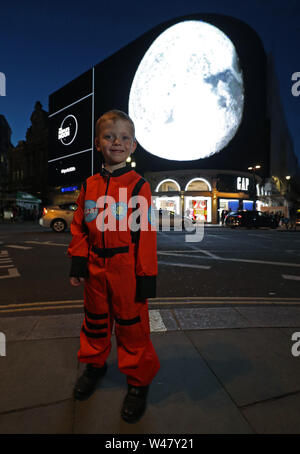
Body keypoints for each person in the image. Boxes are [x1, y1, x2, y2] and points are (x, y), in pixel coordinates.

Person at [68, 110, 160, 423]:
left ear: (133, 145)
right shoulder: (88, 185)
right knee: (94, 322)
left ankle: (138, 382)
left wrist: (146, 274)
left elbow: (146, 234)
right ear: (98, 143)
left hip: (127, 269)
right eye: (109, 136)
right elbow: (79, 226)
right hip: (95, 268)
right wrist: (79, 260)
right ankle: (95, 365)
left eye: (124, 137)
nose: (116, 142)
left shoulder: (138, 186)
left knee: (132, 327)